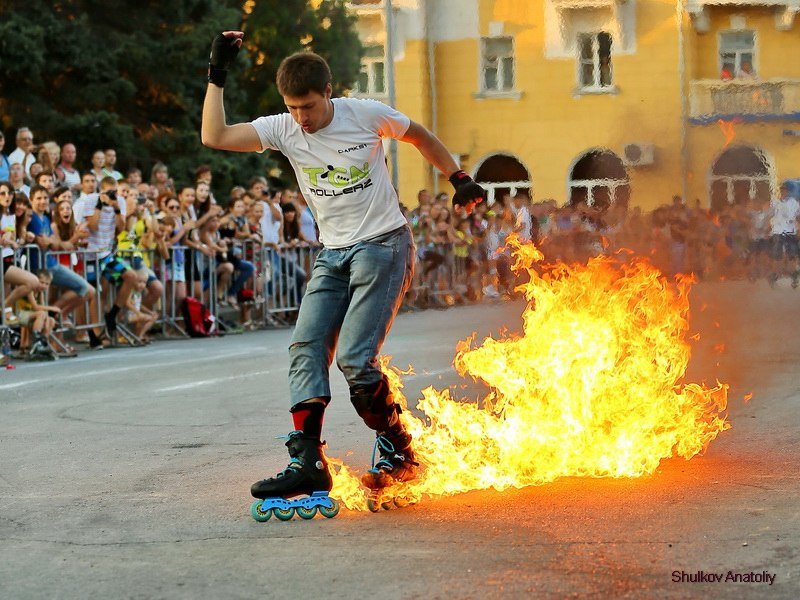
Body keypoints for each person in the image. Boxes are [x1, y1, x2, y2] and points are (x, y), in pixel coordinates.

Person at [201, 32, 485, 508]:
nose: (301, 119)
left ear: (328, 92)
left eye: (308, 107)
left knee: (354, 360)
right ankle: (307, 462)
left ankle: (399, 449)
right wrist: (217, 75)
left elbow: (420, 135)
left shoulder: (364, 115)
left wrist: (458, 178)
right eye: (292, 108)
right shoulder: (283, 129)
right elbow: (215, 136)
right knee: (306, 345)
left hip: (384, 245)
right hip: (332, 253)